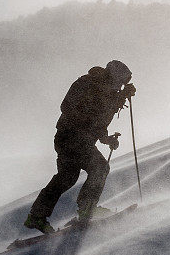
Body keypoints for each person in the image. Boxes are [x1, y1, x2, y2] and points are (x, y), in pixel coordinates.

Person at [24, 60, 136, 233]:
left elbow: (99, 121)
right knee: (99, 167)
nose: (120, 86)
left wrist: (106, 138)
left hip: (74, 139)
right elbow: (67, 107)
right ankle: (87, 209)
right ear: (112, 76)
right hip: (70, 137)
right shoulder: (87, 83)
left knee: (67, 176)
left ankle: (37, 217)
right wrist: (87, 126)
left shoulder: (107, 94)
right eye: (120, 82)